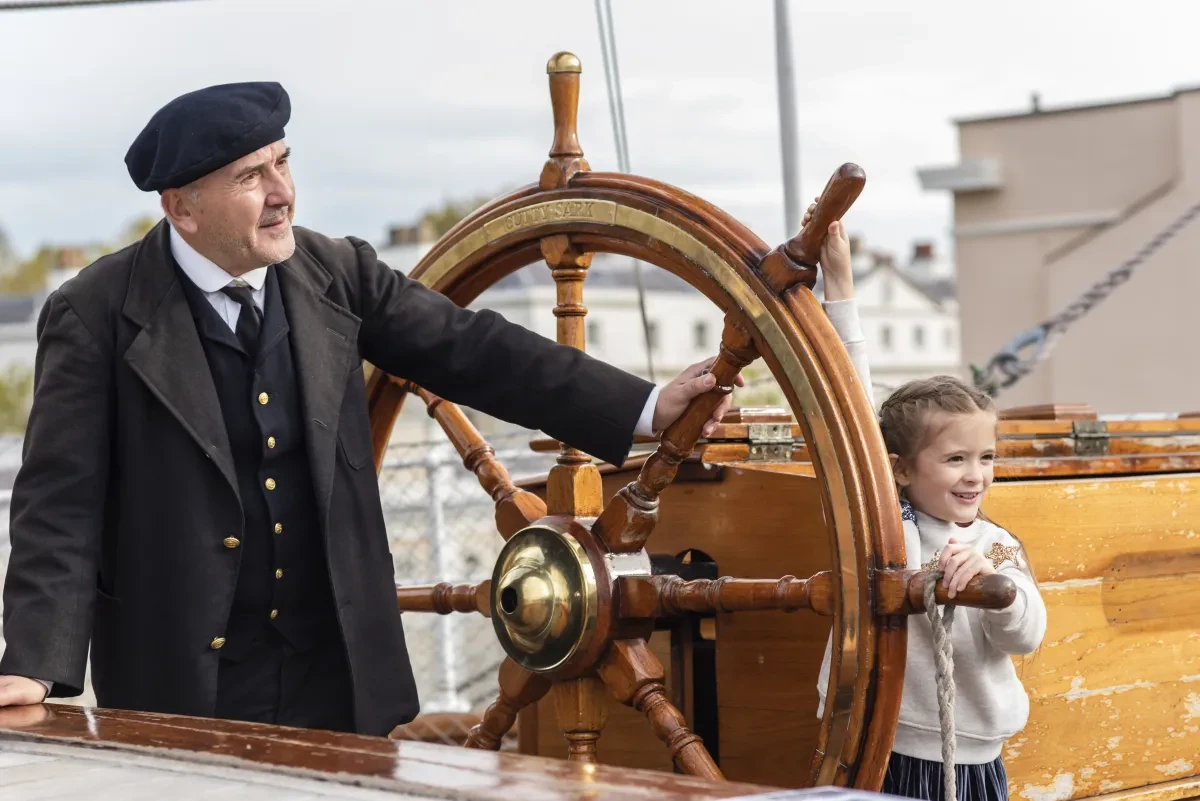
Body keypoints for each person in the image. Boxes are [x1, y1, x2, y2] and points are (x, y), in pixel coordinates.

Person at [0, 82, 740, 735]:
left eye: (283, 162)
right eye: (251, 176)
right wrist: (33, 661)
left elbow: (477, 351)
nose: (283, 192)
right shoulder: (94, 313)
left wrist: (645, 405)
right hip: (184, 683)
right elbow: (60, 502)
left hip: (338, 674)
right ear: (181, 208)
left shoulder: (338, 271)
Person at [807, 201, 1047, 801]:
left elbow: (1025, 635)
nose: (976, 476)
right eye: (955, 459)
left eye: (986, 458)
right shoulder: (886, 522)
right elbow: (851, 405)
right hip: (875, 742)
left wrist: (997, 589)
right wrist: (840, 283)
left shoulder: (995, 545)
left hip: (967, 763)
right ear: (900, 469)